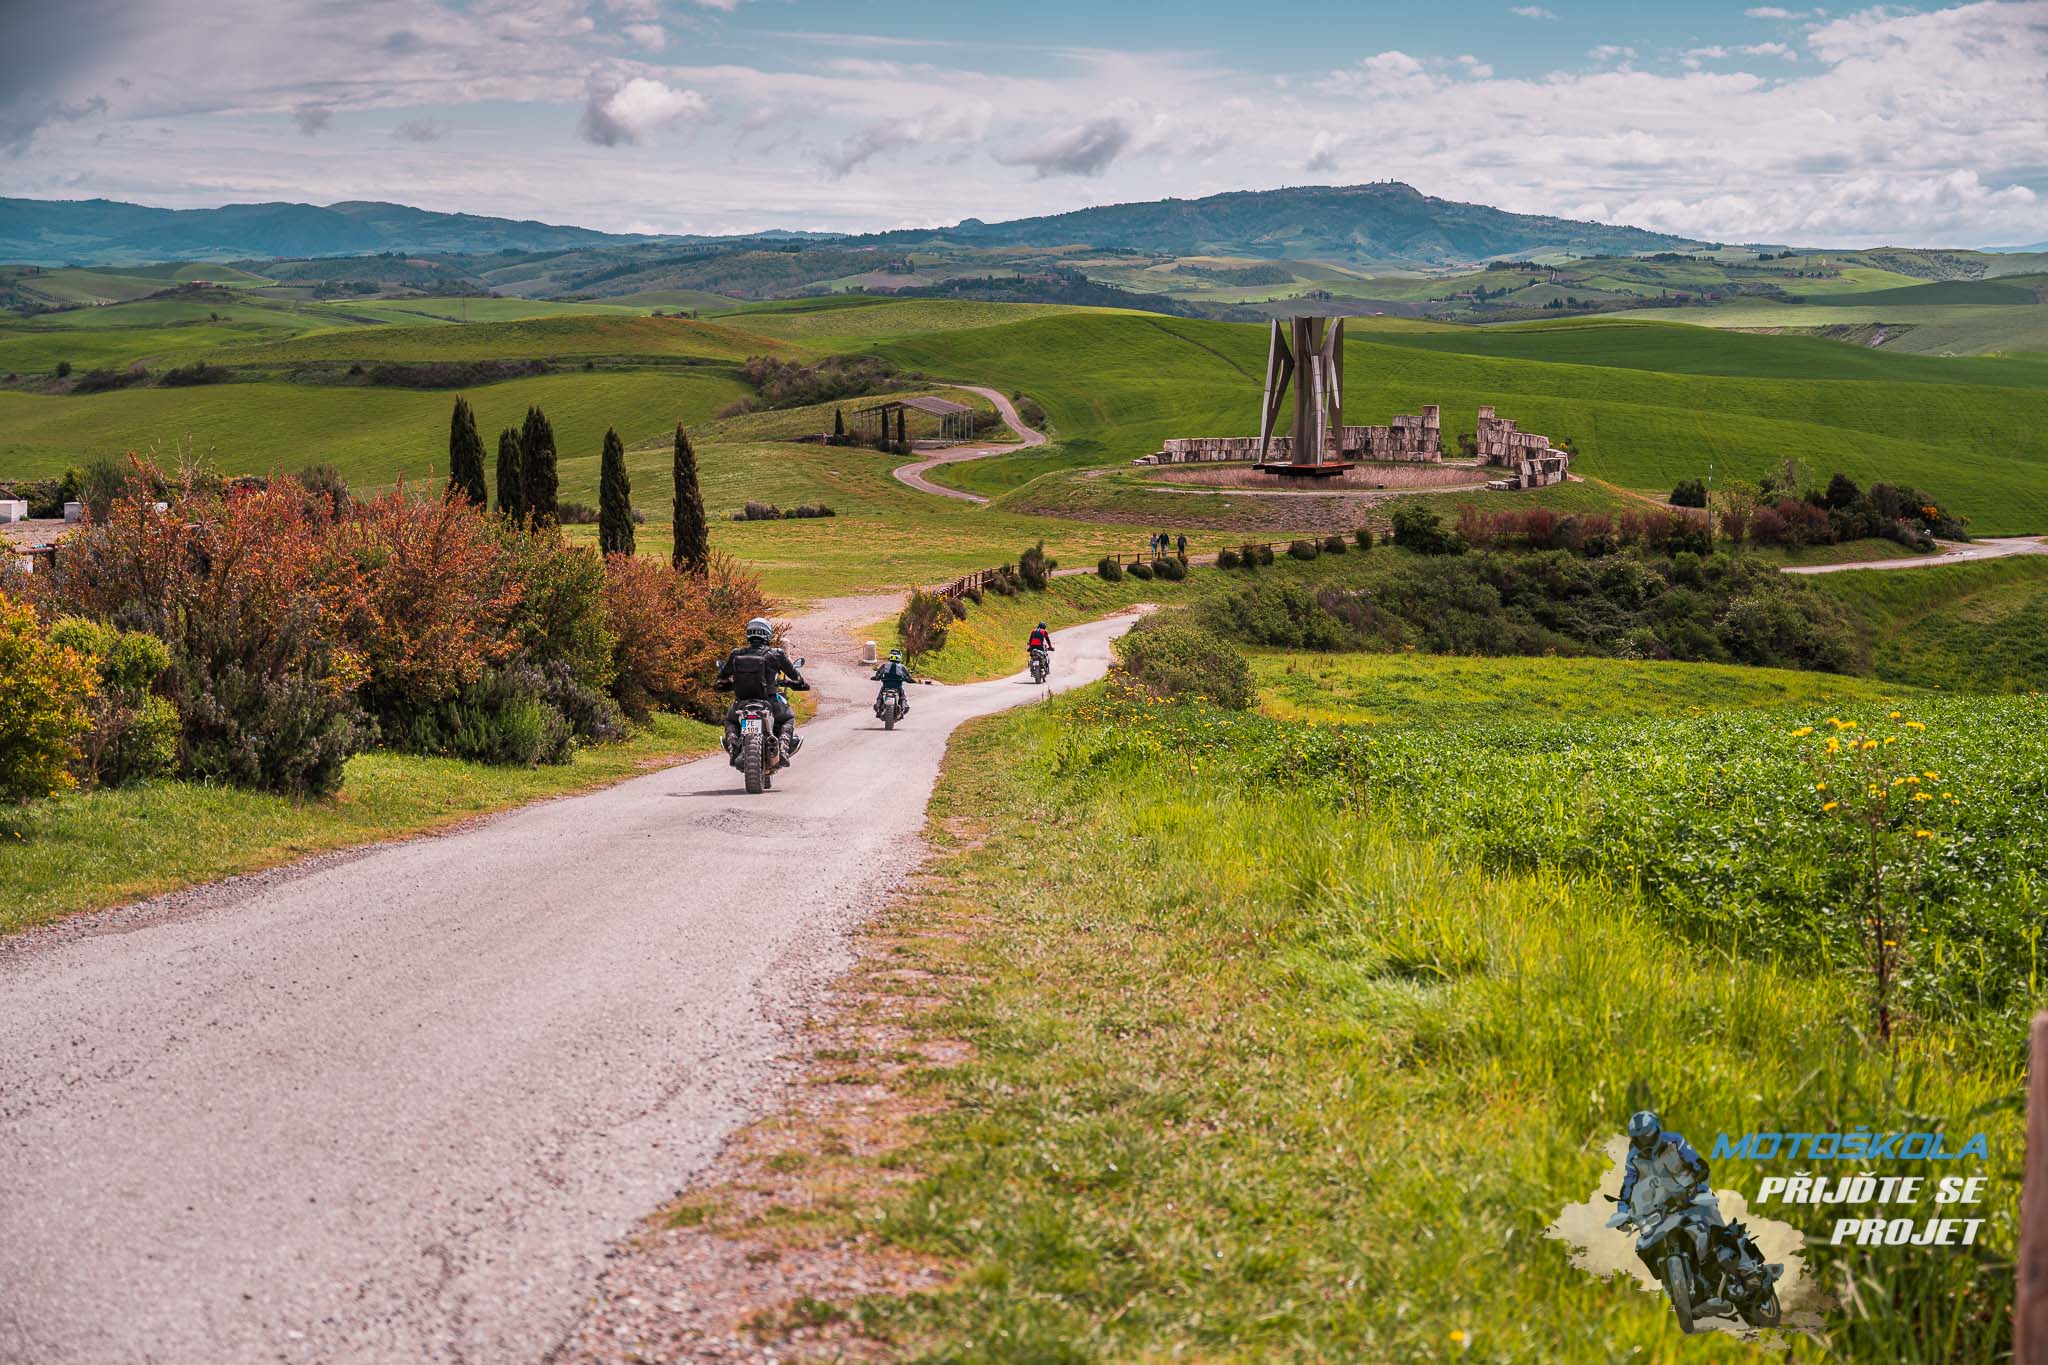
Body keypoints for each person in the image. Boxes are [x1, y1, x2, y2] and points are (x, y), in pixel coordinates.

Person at [1616, 1110, 1736, 1281]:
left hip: (1690, 1195)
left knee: (1716, 1224)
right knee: (1645, 1243)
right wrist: (1623, 1211)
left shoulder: (1675, 1140)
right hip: (1660, 1206)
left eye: (1648, 1136)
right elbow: (1628, 1185)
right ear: (1633, 1139)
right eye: (1640, 1138)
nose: (1645, 1142)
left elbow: (1695, 1161)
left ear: (1657, 1130)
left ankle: (1744, 1266)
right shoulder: (1633, 1157)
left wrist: (1699, 1183)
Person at [714, 616, 809, 752]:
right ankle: (784, 743)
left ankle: (732, 741)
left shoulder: (736, 654)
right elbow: (794, 676)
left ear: (748, 634)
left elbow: (722, 678)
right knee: (788, 717)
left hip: (742, 702)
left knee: (730, 720)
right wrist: (800, 683)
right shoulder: (776, 654)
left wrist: (727, 684)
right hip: (770, 701)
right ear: (768, 634)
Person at [872, 647, 916, 714]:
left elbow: (878, 675)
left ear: (890, 656)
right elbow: (908, 678)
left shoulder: (884, 665)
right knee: (903, 696)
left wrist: (876, 677)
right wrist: (911, 680)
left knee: (880, 695)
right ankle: (903, 708)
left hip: (886, 686)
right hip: (897, 687)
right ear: (899, 657)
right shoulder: (902, 667)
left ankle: (878, 706)